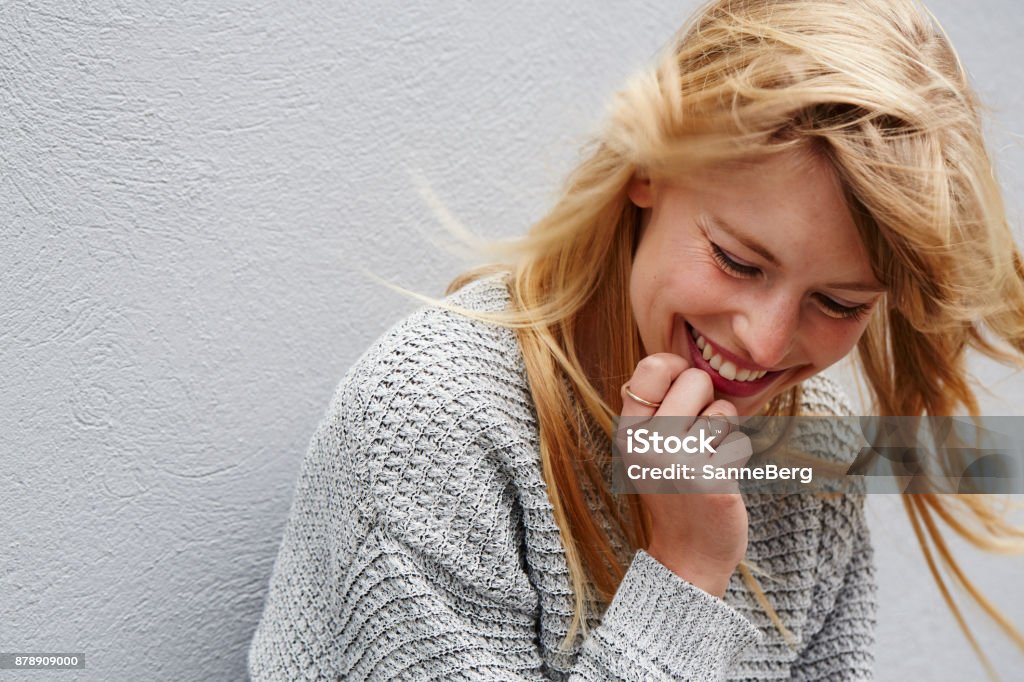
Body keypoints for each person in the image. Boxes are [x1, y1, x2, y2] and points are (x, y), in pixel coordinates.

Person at [248, 0, 1024, 679]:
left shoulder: (806, 458)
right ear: (647, 171)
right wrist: (687, 570)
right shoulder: (431, 424)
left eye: (839, 302)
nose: (765, 341)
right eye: (738, 260)